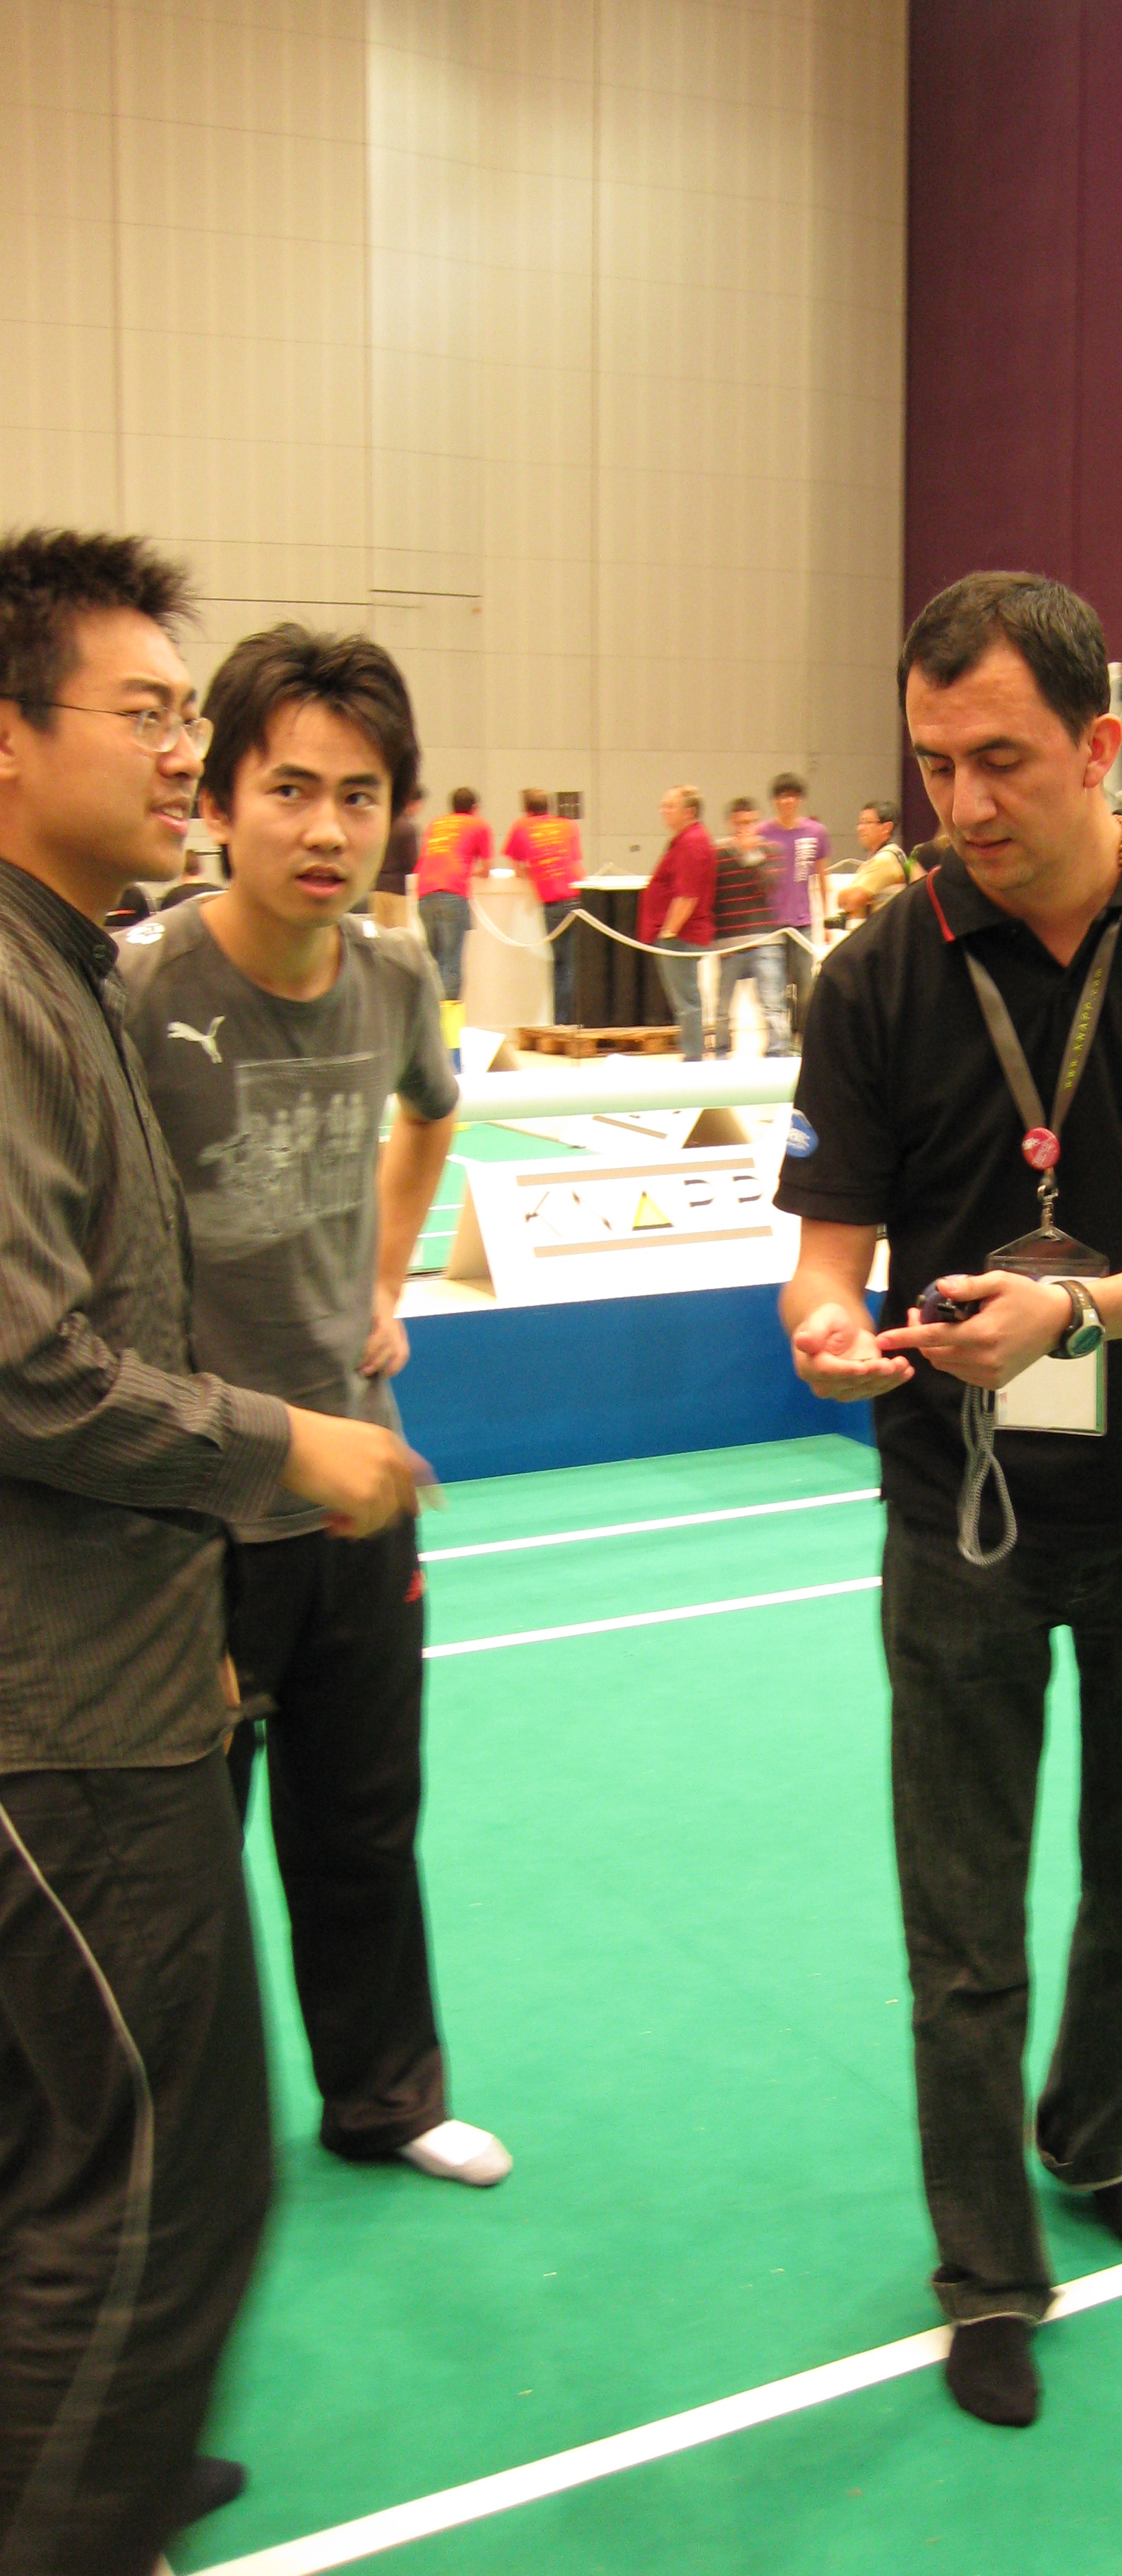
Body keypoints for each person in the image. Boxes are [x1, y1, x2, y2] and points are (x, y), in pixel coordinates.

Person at [775, 572, 1122, 2430]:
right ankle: (986, 2265)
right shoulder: (881, 971)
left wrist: (1075, 1312)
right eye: (932, 765)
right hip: (956, 1517)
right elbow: (827, 1252)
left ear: (1100, 743)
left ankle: (1092, 2140)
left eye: (1000, 760)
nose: (964, 805)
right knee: (963, 1923)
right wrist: (828, 1330)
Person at [0, 531, 421, 2576]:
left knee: (75, 2162)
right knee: (154, 2190)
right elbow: (28, 1367)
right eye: (150, 715)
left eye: (192, 718)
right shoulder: (40, 993)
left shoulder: (70, 970)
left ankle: (102, 2468)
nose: (183, 755)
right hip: (65, 1714)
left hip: (126, 1653)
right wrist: (287, 1448)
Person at [120, 619, 511, 2207]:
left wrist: (386, 1280)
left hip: (358, 1486)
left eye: (359, 795)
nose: (326, 829)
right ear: (218, 799)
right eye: (289, 789)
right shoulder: (139, 992)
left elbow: (433, 1115)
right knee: (171, 1866)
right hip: (189, 1507)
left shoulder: (396, 972)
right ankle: (149, 2155)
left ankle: (383, 2097)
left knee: (361, 1822)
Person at [636, 783, 716, 1061]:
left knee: (687, 1001)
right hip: (679, 934)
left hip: (681, 936)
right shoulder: (687, 840)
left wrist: (669, 932)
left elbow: (687, 895)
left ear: (689, 812)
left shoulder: (691, 842)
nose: (664, 811)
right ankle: (692, 1054)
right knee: (685, 1000)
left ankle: (693, 1057)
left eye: (671, 807)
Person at [710, 795, 791, 1056]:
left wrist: (752, 855)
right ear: (730, 823)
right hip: (729, 942)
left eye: (751, 822)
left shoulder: (771, 851)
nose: (746, 828)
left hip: (765, 939)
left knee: (772, 1003)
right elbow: (713, 898)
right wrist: (716, 941)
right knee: (723, 1007)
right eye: (740, 823)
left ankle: (778, 1051)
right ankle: (721, 1050)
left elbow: (769, 887)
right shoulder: (718, 855)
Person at [504, 788, 584, 1024]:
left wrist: (537, 873)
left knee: (560, 966)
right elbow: (576, 865)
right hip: (576, 898)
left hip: (552, 904)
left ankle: (561, 1023)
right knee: (573, 965)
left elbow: (518, 870)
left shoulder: (521, 827)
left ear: (526, 809)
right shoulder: (568, 826)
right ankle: (572, 1022)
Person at [761, 770, 830, 1032]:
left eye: (792, 796)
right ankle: (780, 1039)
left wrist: (826, 922)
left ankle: (803, 1037)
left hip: (803, 922)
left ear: (800, 799)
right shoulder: (762, 833)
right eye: (781, 796)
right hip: (770, 925)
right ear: (774, 801)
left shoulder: (816, 832)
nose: (787, 801)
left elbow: (822, 878)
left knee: (806, 983)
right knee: (775, 986)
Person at [416, 786, 490, 1003]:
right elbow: (486, 869)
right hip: (452, 892)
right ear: (475, 808)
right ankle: (448, 1021)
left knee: (433, 962)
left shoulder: (435, 824)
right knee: (450, 963)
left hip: (425, 893)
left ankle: (430, 1018)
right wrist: (470, 871)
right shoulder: (479, 825)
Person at [837, 797, 922, 920]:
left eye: (867, 822)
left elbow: (852, 900)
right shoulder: (892, 854)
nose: (860, 828)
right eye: (860, 823)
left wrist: (844, 896)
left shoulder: (885, 860)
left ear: (887, 828)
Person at [371, 783, 422, 928]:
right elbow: (412, 863)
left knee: (380, 933)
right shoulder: (408, 829)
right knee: (399, 933)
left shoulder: (382, 825)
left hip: (378, 886)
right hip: (398, 889)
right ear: (411, 803)